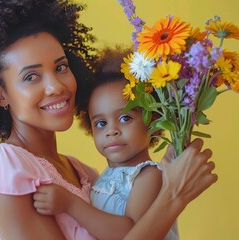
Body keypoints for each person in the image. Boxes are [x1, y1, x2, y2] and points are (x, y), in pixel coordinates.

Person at [0, 0, 217, 239]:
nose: (56, 86)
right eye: (31, 77)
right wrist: (174, 196)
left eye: (60, 67)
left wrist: (162, 183)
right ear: (1, 94)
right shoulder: (5, 168)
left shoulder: (84, 174)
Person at [33, 47, 180, 239]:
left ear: (152, 119)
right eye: (101, 123)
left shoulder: (149, 176)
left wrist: (70, 203)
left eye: (125, 118)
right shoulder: (101, 179)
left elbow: (130, 234)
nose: (112, 131)